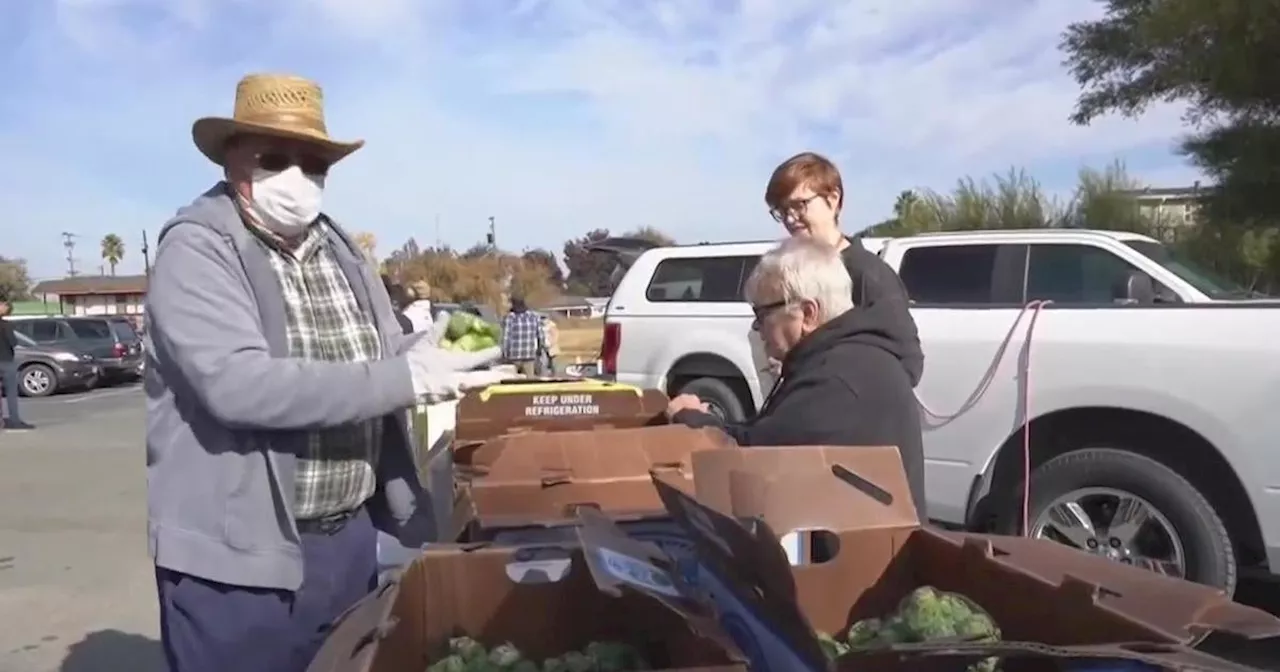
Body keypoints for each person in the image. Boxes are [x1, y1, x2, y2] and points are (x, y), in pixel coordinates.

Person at [145, 73, 504, 672]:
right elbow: (239, 385)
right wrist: (406, 378)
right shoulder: (198, 250)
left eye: (313, 163)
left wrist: (426, 348)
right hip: (240, 566)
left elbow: (378, 350)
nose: (296, 176)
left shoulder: (338, 247)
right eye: (274, 157)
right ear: (232, 157)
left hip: (348, 545)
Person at [666, 237, 926, 510]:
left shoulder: (835, 380)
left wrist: (689, 417)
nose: (757, 327)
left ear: (808, 313)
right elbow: (768, 436)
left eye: (762, 313)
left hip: (858, 551)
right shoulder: (851, 358)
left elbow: (750, 460)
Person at [764, 152, 924, 387]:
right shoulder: (791, 270)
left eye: (799, 205)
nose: (790, 218)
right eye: (782, 210)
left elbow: (909, 365)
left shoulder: (869, 275)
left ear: (833, 199)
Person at [0, 295, 33, 431]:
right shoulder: (6, 326)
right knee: (11, 392)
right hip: (6, 361)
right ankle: (14, 420)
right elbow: (13, 343)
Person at [501, 296, 544, 376]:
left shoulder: (510, 318)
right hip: (529, 355)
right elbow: (541, 336)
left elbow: (506, 339)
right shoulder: (534, 316)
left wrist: (504, 354)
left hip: (514, 357)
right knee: (529, 381)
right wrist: (540, 349)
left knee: (512, 381)